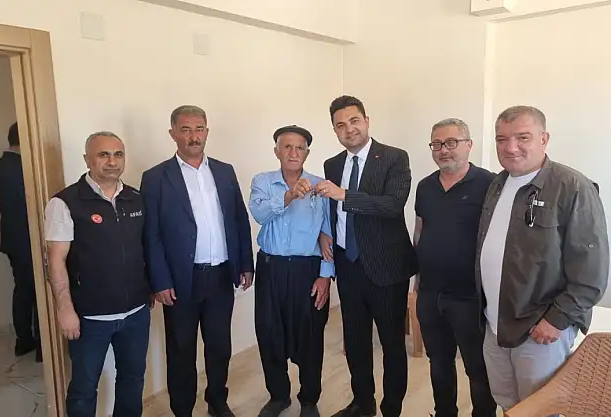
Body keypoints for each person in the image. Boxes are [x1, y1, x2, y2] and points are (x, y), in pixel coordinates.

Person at [477, 106, 609, 413]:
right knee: (508, 403)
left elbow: (591, 273)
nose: (511, 148)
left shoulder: (573, 188)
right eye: (502, 139)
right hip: (496, 325)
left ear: (544, 139)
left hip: (540, 331)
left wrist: (556, 320)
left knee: (540, 409)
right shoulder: (497, 184)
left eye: (523, 137)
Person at [141, 105, 254, 417]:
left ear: (207, 131)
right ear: (173, 134)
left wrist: (245, 263)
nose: (194, 136)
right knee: (181, 350)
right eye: (186, 129)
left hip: (220, 275)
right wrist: (160, 280)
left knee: (219, 347)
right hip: (180, 280)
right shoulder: (156, 177)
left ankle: (217, 401)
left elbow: (239, 219)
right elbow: (151, 235)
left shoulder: (224, 171)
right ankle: (183, 410)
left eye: (199, 129)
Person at [314, 96, 418, 417]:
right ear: (334, 130)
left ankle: (391, 409)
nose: (349, 129)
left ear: (367, 121)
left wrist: (344, 195)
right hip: (348, 265)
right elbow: (332, 209)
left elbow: (392, 205)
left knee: (391, 344)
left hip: (386, 268)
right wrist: (325, 232)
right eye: (340, 125)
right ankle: (363, 403)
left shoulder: (394, 157)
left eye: (354, 121)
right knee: (355, 341)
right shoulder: (332, 164)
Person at [45, 132, 153, 417]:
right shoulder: (65, 203)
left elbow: (146, 248)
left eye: (118, 154)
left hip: (136, 313)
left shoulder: (136, 199)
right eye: (103, 155)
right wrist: (65, 310)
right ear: (87, 160)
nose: (112, 161)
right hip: (89, 318)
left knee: (132, 380)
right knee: (83, 389)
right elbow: (56, 262)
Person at [412, 118, 496, 417]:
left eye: (451, 142)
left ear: (469, 145)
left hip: (470, 295)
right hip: (430, 292)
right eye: (436, 144)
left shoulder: (490, 184)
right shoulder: (425, 187)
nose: (443, 150)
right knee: (439, 361)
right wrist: (417, 281)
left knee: (477, 367)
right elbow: (420, 230)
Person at [249, 125, 334, 417]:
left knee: (310, 336)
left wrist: (325, 275)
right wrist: (288, 197)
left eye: (299, 148)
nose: (293, 153)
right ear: (277, 151)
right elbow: (259, 214)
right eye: (287, 147)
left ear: (307, 153)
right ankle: (279, 396)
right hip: (270, 268)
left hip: (307, 270)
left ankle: (309, 399)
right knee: (269, 333)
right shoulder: (262, 181)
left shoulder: (321, 186)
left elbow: (329, 233)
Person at [0, 122, 41, 361]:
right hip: (31, 238)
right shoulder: (25, 168)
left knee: (23, 289)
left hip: (11, 238)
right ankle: (43, 348)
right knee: (39, 291)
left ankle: (23, 340)